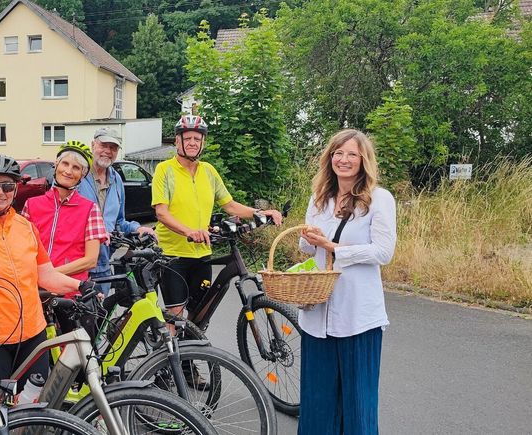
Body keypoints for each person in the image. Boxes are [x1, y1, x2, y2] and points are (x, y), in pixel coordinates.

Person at [0, 154, 87, 394]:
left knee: (32, 401)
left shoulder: (26, 227)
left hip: (33, 333)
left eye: (7, 186)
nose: (0, 192)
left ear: (15, 188)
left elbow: (46, 275)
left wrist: (81, 286)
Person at [296, 129, 396, 434]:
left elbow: (383, 252)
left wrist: (335, 249)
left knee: (357, 402)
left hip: (357, 316)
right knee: (317, 400)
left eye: (352, 154)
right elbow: (307, 249)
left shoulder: (378, 199)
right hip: (317, 314)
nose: (344, 159)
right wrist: (309, 238)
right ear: (330, 158)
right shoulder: (319, 198)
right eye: (338, 153)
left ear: (363, 160)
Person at [151, 115, 283, 329]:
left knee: (200, 313)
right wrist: (189, 231)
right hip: (172, 254)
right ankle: (171, 350)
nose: (192, 143)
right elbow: (162, 213)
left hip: (202, 253)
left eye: (197, 138)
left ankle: (190, 350)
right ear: (177, 141)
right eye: (187, 138)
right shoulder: (164, 170)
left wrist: (260, 212)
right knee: (175, 316)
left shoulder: (208, 171)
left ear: (203, 142)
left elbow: (229, 205)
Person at [76, 127, 156, 291]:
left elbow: (119, 222)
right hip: (77, 265)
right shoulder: (78, 174)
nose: (108, 151)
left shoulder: (116, 179)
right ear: (93, 145)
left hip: (103, 264)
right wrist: (96, 233)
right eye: (103, 145)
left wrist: (137, 228)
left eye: (113, 147)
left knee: (103, 308)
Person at [22, 140, 108, 283]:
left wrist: (50, 274)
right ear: (56, 166)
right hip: (34, 287)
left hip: (70, 288)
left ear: (82, 175)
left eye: (76, 168)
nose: (68, 171)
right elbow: (21, 248)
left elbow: (91, 260)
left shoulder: (90, 209)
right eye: (65, 164)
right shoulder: (31, 204)